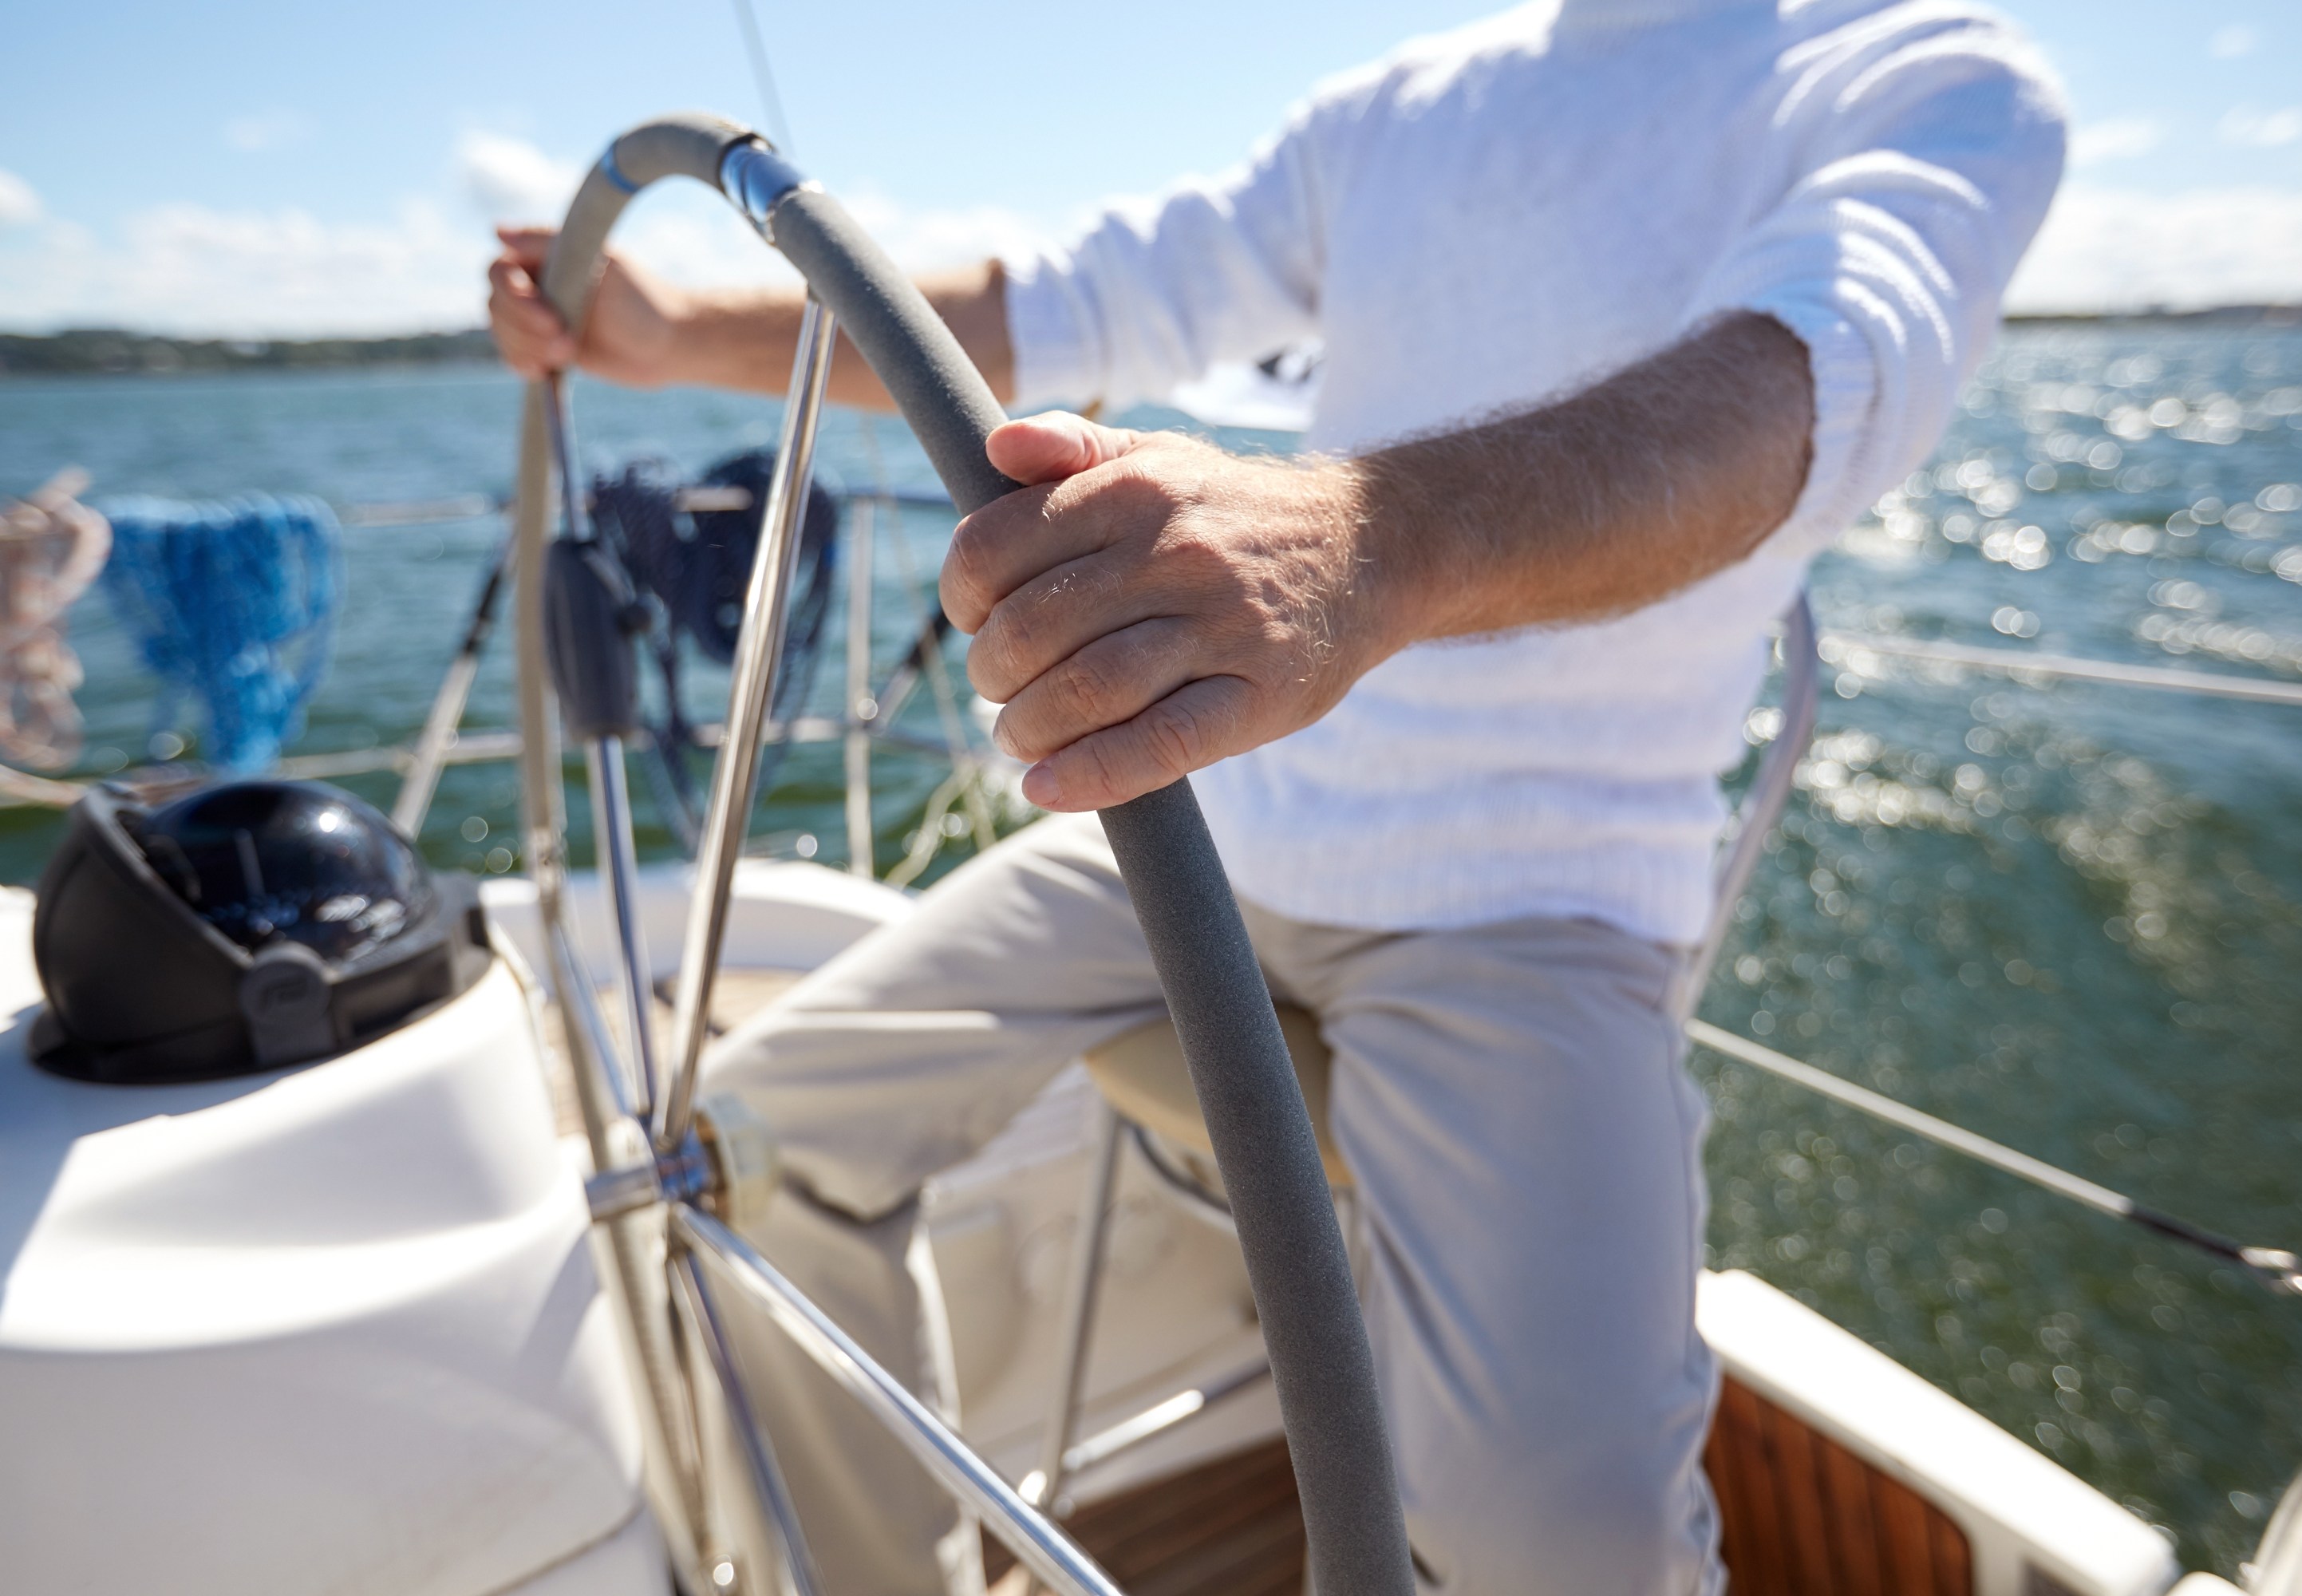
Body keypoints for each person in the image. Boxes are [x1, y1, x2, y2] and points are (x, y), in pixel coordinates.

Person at [490, 1, 2063, 1589]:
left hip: (1530, 899)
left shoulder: (1928, 76)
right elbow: (1050, 306)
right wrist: (672, 331)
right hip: (1207, 826)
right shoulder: (1400, 104)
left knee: (1560, 1544)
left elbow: (1808, 385)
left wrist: (1362, 539)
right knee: (739, 1142)